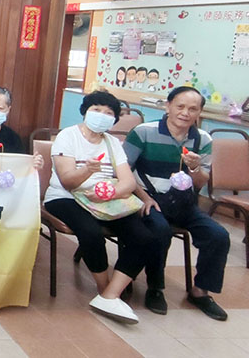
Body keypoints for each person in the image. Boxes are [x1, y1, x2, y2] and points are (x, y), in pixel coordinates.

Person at [43, 91, 162, 324]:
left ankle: (110, 295)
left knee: (144, 238)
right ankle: (104, 288)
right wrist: (87, 170)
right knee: (91, 232)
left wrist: (108, 194)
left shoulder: (112, 143)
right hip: (65, 197)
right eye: (96, 110)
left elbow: (128, 182)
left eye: (108, 113)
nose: (101, 115)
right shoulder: (68, 136)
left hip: (106, 200)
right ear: (85, 111)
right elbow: (67, 181)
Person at [124, 86, 230, 321]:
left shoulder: (203, 139)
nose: (185, 113)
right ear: (168, 106)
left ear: (199, 113)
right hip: (148, 198)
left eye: (193, 109)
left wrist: (194, 167)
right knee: (160, 230)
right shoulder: (143, 132)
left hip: (183, 201)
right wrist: (145, 198)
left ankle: (200, 291)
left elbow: (200, 182)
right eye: (180, 106)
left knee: (218, 235)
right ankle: (155, 288)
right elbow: (123, 171)